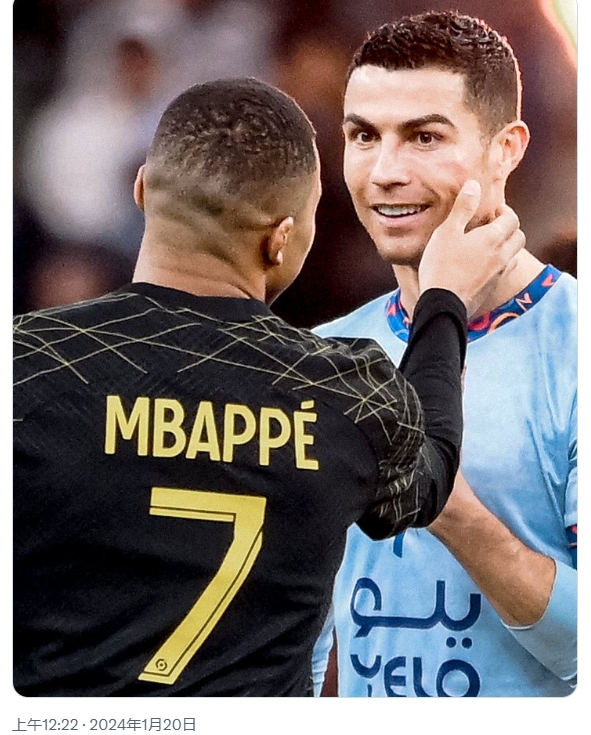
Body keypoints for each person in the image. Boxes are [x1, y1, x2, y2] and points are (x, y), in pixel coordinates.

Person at [13, 77, 522, 697]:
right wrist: (443, 302)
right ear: (280, 238)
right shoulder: (345, 392)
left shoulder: (25, 362)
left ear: (142, 191)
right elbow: (430, 474)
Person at [312, 11, 577, 697]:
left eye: (424, 137)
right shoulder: (323, 354)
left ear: (506, 149)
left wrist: (444, 502)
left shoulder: (575, 345)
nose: (384, 172)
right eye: (363, 136)